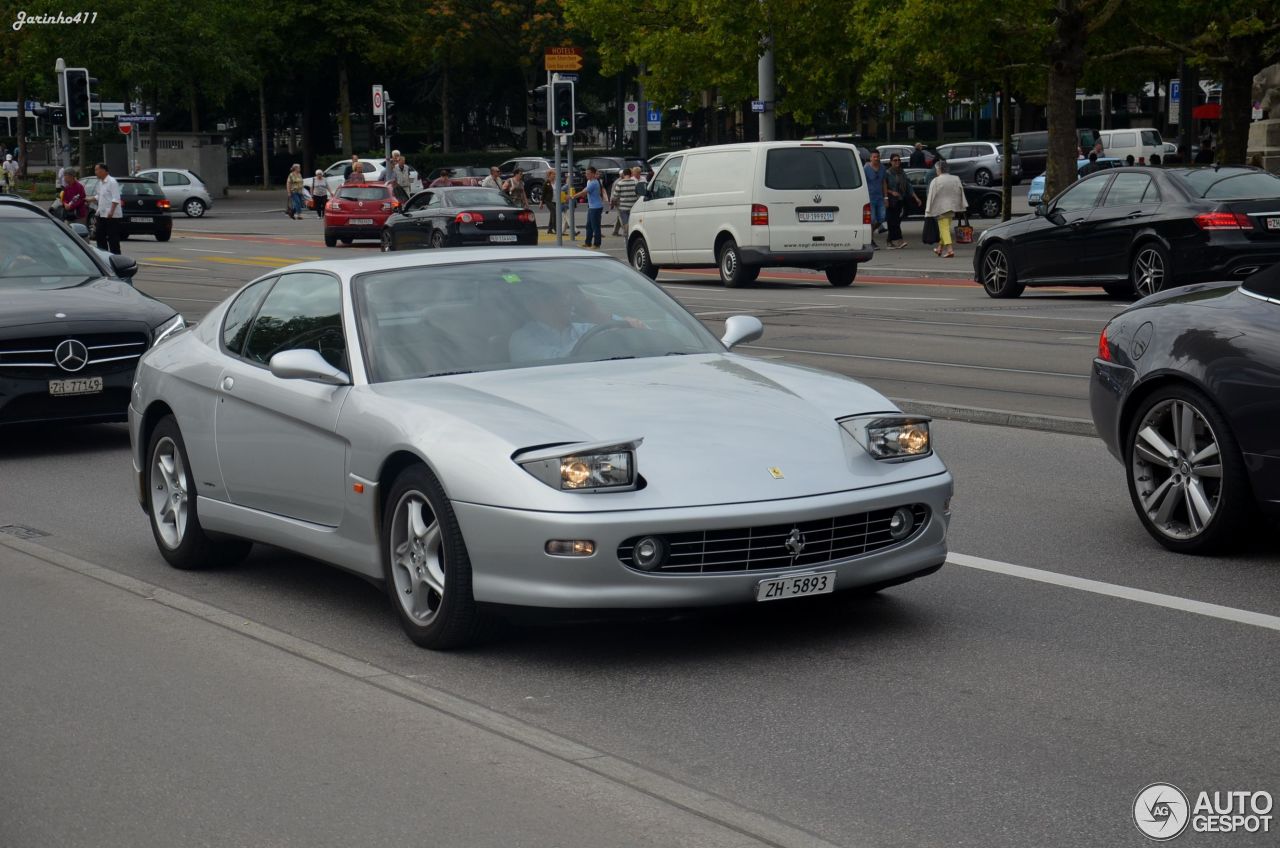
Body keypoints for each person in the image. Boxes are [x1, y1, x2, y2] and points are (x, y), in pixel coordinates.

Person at [509, 282, 643, 361]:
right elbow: (558, 360)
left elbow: (641, 332)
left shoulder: (584, 329)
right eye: (553, 297)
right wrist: (602, 338)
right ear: (532, 305)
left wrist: (598, 315)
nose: (565, 301)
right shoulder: (522, 338)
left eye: (567, 296)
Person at [924, 159, 966, 259]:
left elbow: (931, 196)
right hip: (952, 206)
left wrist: (928, 210)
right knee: (945, 228)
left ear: (938, 169)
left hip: (940, 208)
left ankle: (950, 249)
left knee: (944, 229)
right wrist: (962, 205)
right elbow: (960, 193)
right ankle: (939, 248)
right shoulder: (956, 178)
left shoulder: (936, 180)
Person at [883, 154, 920, 249]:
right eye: (895, 160)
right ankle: (900, 241)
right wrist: (891, 192)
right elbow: (883, 187)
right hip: (891, 200)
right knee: (893, 221)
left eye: (898, 160)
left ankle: (889, 241)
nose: (897, 162)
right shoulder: (887, 173)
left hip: (900, 200)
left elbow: (908, 186)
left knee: (896, 221)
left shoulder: (902, 172)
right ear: (891, 162)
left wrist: (916, 198)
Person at [93, 162, 124, 254]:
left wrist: (111, 211)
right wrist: (89, 199)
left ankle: (116, 257)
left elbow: (116, 198)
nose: (95, 172)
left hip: (112, 216)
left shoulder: (112, 182)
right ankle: (104, 255)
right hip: (102, 214)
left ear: (103, 171)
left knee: (113, 238)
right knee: (99, 235)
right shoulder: (100, 183)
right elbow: (100, 196)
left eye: (96, 170)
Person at [574, 166, 608, 248]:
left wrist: (572, 197)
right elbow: (584, 191)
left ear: (593, 174)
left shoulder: (594, 183)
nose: (586, 175)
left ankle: (597, 244)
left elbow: (583, 193)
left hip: (596, 207)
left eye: (588, 173)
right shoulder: (589, 182)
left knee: (595, 226)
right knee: (588, 226)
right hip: (591, 207)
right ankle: (588, 243)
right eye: (586, 173)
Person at [863, 150, 887, 248]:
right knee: (872, 219)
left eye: (877, 156)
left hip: (880, 197)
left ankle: (869, 233)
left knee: (882, 217)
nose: (876, 158)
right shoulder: (866, 168)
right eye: (874, 157)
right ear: (870, 158)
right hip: (870, 197)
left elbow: (884, 182)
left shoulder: (882, 168)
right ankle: (871, 240)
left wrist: (886, 197)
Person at [610, 166, 640, 236]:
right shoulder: (635, 183)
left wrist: (612, 204)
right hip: (633, 208)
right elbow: (638, 196)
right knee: (633, 225)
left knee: (625, 226)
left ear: (623, 174)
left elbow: (615, 197)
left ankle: (627, 239)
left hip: (623, 208)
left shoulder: (620, 183)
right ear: (631, 174)